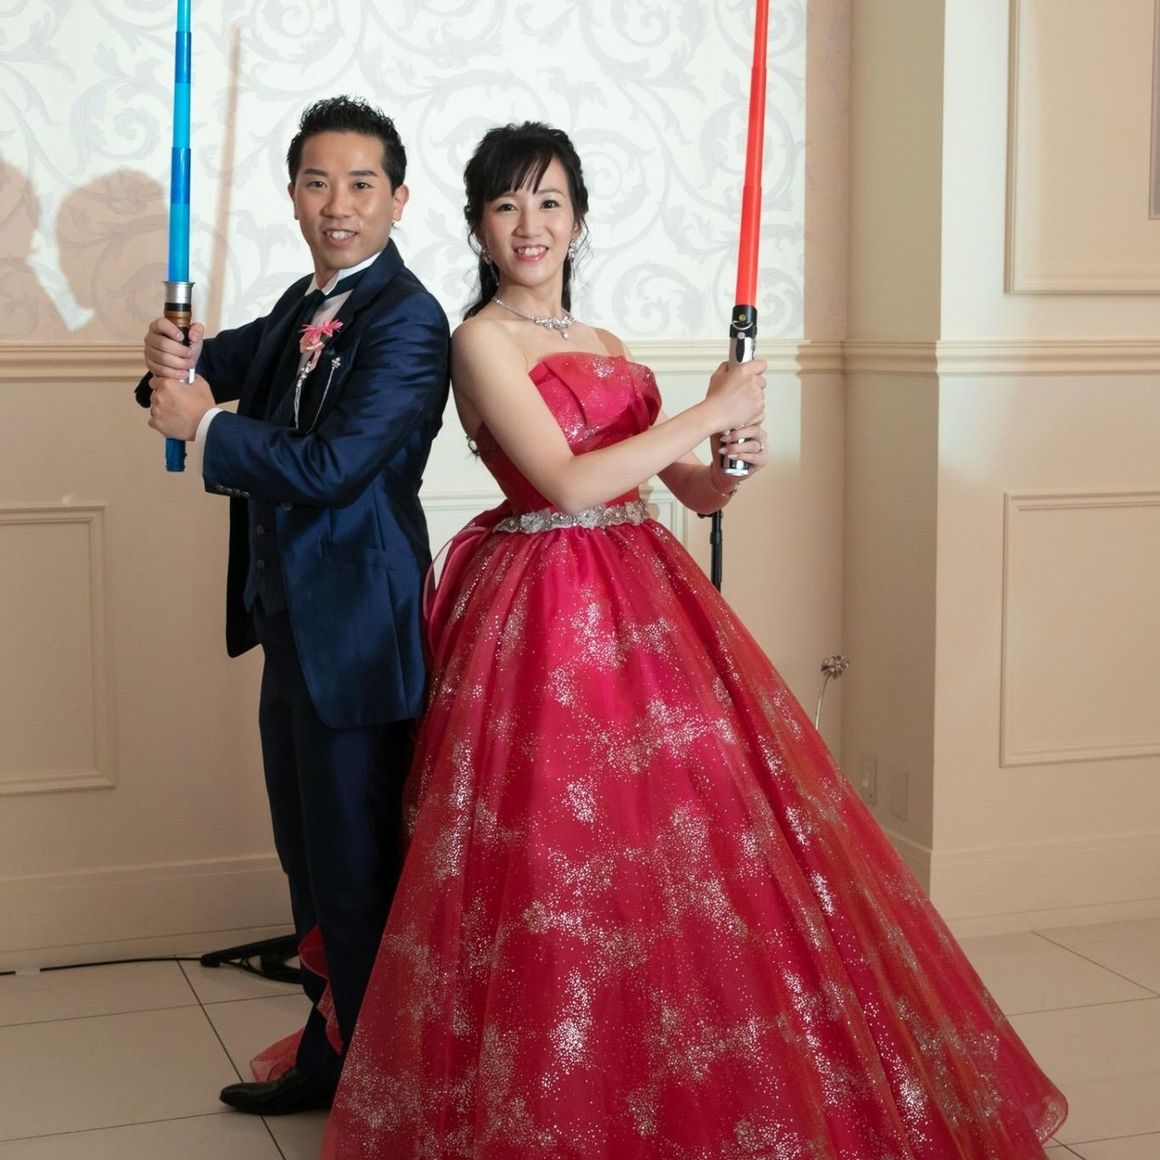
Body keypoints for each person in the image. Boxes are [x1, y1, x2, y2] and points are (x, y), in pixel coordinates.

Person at [321, 122, 1066, 1158]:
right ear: (479, 228)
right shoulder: (478, 341)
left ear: (579, 217)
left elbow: (688, 488)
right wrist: (707, 408)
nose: (530, 224)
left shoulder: (608, 343)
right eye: (506, 205)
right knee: (557, 850)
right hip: (542, 613)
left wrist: (728, 457)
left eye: (549, 202)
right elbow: (568, 482)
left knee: (688, 840)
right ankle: (561, 1081)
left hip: (645, 598)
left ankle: (678, 1062)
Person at [140, 96, 450, 1116]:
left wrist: (207, 426)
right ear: (292, 195)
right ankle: (332, 1056)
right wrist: (167, 355)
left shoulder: (408, 319)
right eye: (318, 182)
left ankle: (384, 1093)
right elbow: (192, 377)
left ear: (398, 199)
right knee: (309, 858)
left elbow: (333, 465)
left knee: (357, 866)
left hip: (358, 632)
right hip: (289, 628)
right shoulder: (297, 305)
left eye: (361, 184)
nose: (338, 204)